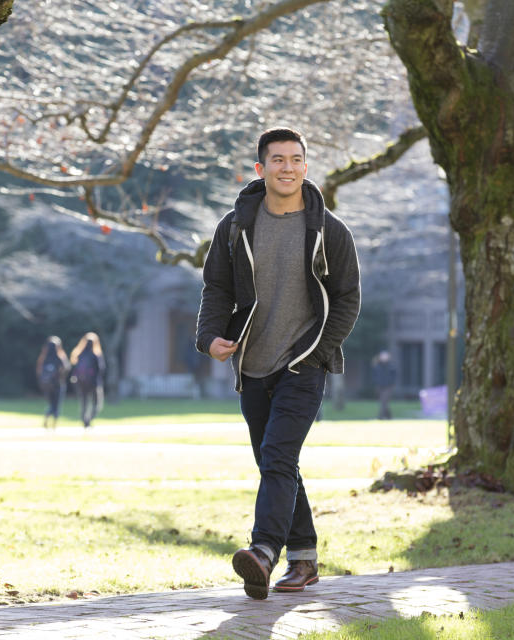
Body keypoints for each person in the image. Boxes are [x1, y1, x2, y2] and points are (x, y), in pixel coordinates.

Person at [196, 127, 361, 600]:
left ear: (306, 167)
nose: (287, 167)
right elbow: (217, 288)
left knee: (278, 457)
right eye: (277, 160)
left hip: (304, 363)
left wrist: (318, 350)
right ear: (261, 169)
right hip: (251, 364)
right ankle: (304, 557)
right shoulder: (234, 227)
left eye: (296, 160)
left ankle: (264, 550)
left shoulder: (330, 230)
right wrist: (210, 337)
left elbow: (347, 300)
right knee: (276, 460)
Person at [69, 332, 106, 428]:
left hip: (81, 382)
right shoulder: (96, 354)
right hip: (94, 382)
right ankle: (89, 419)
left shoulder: (79, 354)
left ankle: (84, 420)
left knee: (84, 402)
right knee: (97, 403)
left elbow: (75, 367)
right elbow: (101, 369)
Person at [36, 336, 70, 429]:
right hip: (58, 384)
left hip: (46, 386)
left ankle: (46, 418)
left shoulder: (44, 357)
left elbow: (39, 371)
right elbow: (66, 368)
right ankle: (54, 425)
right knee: (56, 404)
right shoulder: (60, 356)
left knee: (51, 404)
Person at [372, 350, 396, 420]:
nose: (384, 357)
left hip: (388, 386)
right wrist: (376, 382)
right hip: (379, 386)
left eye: (385, 356)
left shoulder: (391, 366)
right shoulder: (376, 365)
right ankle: (389, 417)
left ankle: (380, 417)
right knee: (384, 402)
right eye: (382, 356)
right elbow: (374, 375)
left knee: (384, 401)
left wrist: (392, 383)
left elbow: (394, 376)